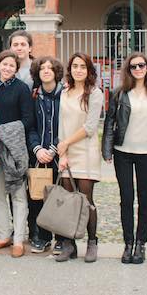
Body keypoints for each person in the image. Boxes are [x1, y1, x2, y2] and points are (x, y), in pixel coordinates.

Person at [101, 52, 147, 264]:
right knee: (126, 198)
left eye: (141, 65)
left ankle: (140, 244)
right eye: (133, 66)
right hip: (123, 152)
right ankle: (128, 243)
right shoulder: (119, 93)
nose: (138, 69)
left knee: (144, 198)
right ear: (128, 69)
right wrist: (107, 149)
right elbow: (109, 122)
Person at [55, 52, 104, 263]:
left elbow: (91, 127)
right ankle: (69, 244)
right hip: (67, 152)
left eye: (82, 67)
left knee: (86, 199)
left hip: (86, 150)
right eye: (75, 66)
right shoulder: (64, 93)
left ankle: (92, 242)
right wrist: (63, 152)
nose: (78, 70)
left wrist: (67, 143)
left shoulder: (94, 93)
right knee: (68, 201)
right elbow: (61, 126)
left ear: (89, 70)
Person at [0, 50, 33, 258]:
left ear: (16, 69)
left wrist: (4, 131)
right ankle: (4, 235)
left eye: (11, 66)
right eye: (4, 64)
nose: (7, 68)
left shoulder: (22, 89)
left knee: (18, 195)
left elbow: (28, 119)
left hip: (14, 149)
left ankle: (18, 239)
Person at [27, 56, 64, 255]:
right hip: (38, 155)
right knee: (39, 198)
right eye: (43, 68)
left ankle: (60, 238)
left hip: (60, 154)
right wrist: (38, 149)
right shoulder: (34, 97)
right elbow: (30, 126)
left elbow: (67, 126)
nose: (47, 71)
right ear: (38, 73)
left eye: (50, 68)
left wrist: (52, 149)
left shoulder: (65, 95)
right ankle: (42, 237)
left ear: (56, 72)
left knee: (58, 198)